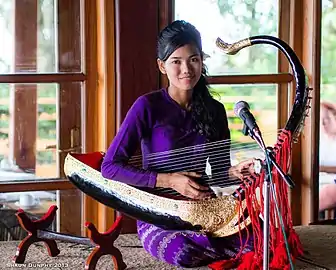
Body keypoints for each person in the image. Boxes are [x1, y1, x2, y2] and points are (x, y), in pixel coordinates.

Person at [101, 20, 254, 267]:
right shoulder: (147, 106)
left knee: (263, 239)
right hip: (158, 212)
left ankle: (219, 245)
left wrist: (237, 172)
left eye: (193, 59)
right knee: (184, 250)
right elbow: (109, 167)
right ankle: (217, 248)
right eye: (176, 61)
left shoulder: (214, 110)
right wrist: (170, 180)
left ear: (202, 61)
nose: (186, 69)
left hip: (203, 207)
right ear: (162, 66)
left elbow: (220, 173)